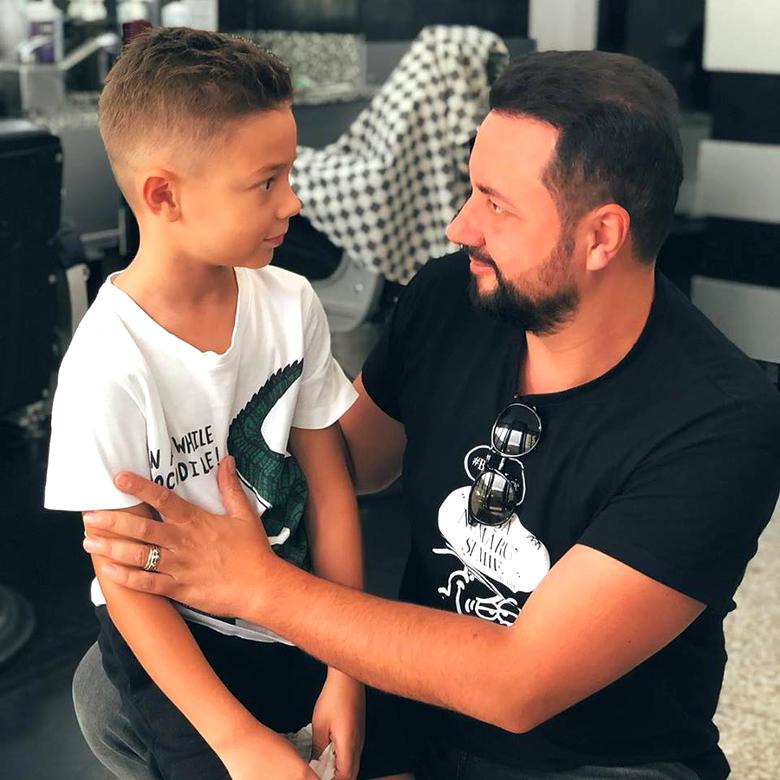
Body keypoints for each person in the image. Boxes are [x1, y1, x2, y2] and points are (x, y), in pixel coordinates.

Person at [78, 50, 780, 780]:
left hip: (588, 758)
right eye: (470, 189)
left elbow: (517, 684)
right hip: (414, 705)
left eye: (496, 205)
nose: (458, 226)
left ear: (601, 236)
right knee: (112, 690)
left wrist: (253, 582)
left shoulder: (720, 423)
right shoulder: (455, 297)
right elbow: (352, 461)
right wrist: (197, 387)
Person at [45, 26, 411, 780]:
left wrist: (346, 670)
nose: (293, 202)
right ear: (164, 196)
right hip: (178, 641)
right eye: (266, 182)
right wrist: (236, 740)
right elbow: (124, 576)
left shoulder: (290, 303)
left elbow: (331, 487)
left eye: (289, 174)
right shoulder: (108, 363)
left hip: (295, 609)